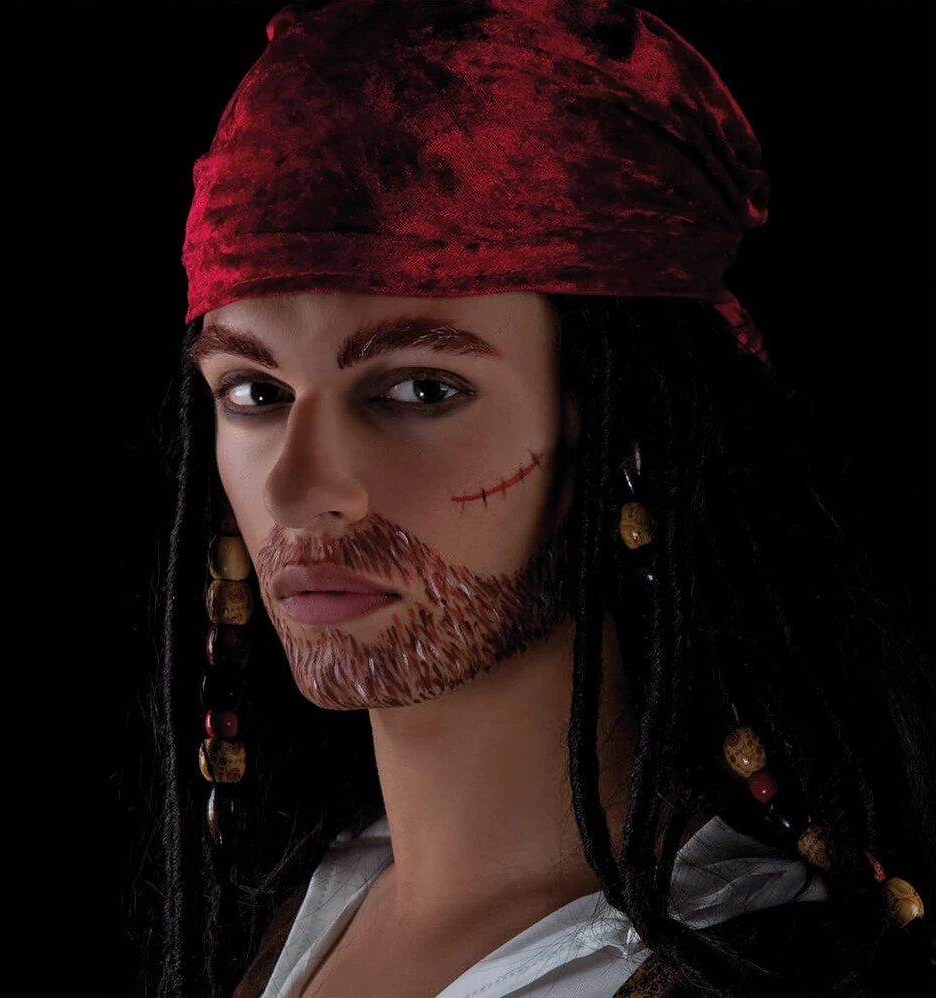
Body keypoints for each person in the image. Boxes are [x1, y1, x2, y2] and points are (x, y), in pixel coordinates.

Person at [151, 2, 936, 995]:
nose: (300, 487)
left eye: (419, 389)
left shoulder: (751, 964)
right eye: (255, 393)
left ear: (620, 421)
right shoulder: (303, 900)